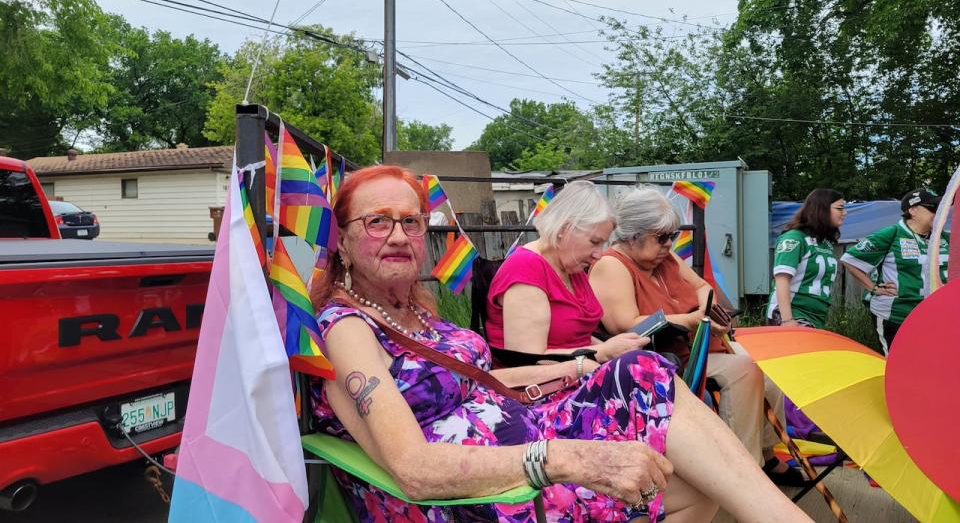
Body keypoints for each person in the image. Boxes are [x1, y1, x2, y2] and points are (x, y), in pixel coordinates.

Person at [309, 166, 809, 523]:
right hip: (475, 492)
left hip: (524, 433)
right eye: (377, 221)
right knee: (670, 441)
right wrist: (569, 458)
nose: (399, 235)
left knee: (680, 448)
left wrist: (581, 366)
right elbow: (414, 469)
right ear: (343, 240)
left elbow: (482, 380)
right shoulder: (346, 328)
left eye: (412, 221)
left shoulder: (414, 310)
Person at [588, 187, 804, 486]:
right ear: (632, 236)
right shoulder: (612, 265)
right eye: (661, 237)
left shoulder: (665, 259)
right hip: (657, 360)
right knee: (743, 370)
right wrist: (691, 320)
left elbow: (704, 288)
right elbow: (627, 326)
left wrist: (707, 311)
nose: (669, 244)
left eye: (672, 236)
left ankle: (765, 455)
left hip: (691, 348)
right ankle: (741, 470)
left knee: (766, 365)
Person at [485, 181, 650, 368]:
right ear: (565, 229)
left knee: (653, 366)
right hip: (541, 388)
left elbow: (580, 339)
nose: (599, 253)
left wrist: (617, 348)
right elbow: (527, 359)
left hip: (577, 372)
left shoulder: (570, 266)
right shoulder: (525, 269)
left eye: (602, 244)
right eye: (595, 242)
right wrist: (603, 352)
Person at [840, 188, 950, 354]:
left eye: (941, 207)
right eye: (933, 208)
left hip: (934, 316)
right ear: (912, 210)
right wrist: (873, 288)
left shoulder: (945, 237)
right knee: (897, 367)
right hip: (895, 315)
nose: (939, 212)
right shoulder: (892, 233)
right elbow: (850, 260)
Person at [766, 189, 847, 328]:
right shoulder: (794, 238)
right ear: (821, 210)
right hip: (793, 315)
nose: (844, 213)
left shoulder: (825, 243)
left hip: (816, 317)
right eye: (839, 208)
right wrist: (787, 320)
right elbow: (781, 280)